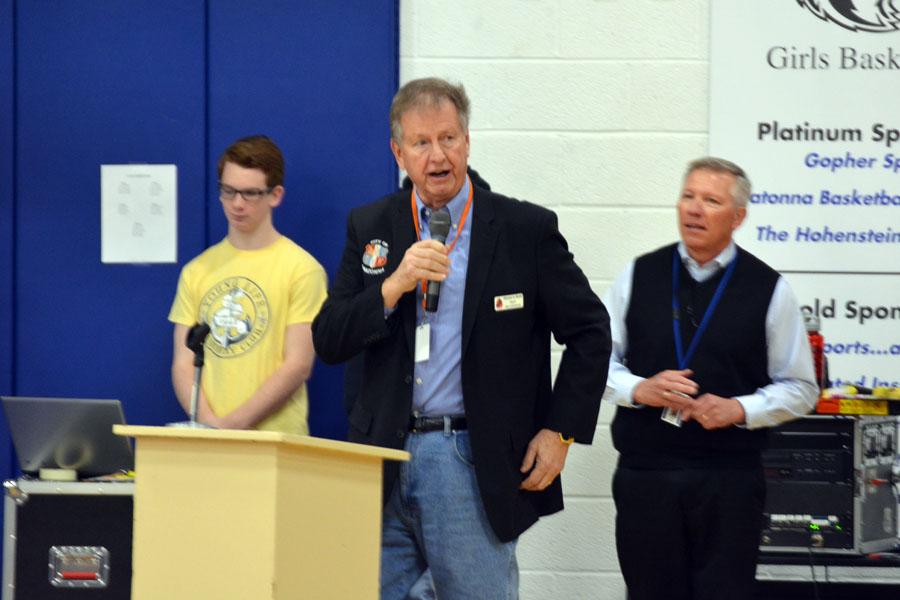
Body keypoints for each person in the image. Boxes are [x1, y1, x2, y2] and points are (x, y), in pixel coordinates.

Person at [311, 77, 611, 599]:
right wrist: (394, 285)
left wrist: (561, 432)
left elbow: (591, 332)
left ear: (467, 142)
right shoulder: (372, 226)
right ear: (398, 153)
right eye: (421, 143)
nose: (437, 155)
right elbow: (330, 338)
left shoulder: (523, 229)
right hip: (383, 458)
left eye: (448, 138)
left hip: (469, 458)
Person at [603, 157, 818, 600]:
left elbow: (801, 388)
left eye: (711, 200)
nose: (694, 209)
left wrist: (740, 409)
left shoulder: (769, 289)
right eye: (688, 196)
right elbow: (596, 365)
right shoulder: (637, 275)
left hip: (729, 480)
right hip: (647, 475)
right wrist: (639, 389)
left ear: (738, 217)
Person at [168, 135, 327, 433]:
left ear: (275, 195)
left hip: (275, 443)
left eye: (250, 193)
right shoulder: (197, 271)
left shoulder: (302, 269)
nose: (237, 204)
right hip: (209, 442)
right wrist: (210, 425)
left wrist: (234, 425)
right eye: (229, 192)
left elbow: (298, 364)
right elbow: (183, 363)